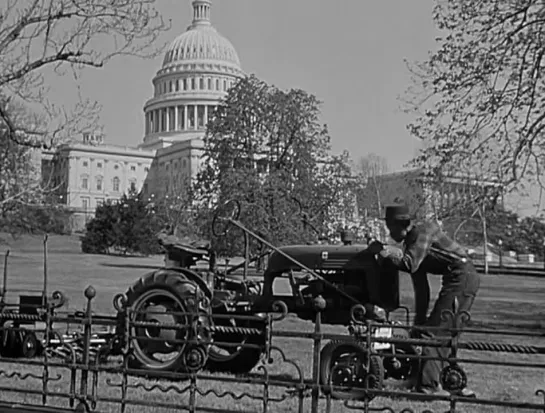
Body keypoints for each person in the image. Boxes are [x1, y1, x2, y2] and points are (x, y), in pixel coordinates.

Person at [367, 204, 480, 397]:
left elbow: (409, 265)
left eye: (389, 227)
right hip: (459, 279)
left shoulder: (423, 232)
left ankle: (428, 388)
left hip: (462, 278)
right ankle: (452, 383)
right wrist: (418, 324)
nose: (388, 232)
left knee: (436, 334)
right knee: (442, 332)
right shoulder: (412, 242)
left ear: (400, 224)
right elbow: (421, 288)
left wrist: (384, 252)